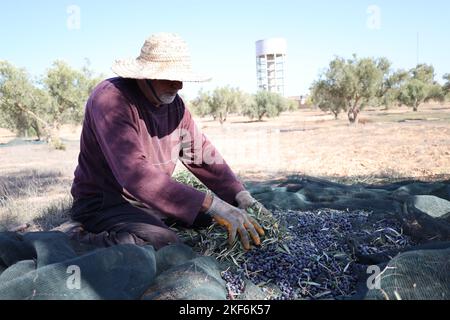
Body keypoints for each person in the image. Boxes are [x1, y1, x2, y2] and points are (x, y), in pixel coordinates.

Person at [68, 33, 271, 250]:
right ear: (144, 76)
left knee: (217, 222)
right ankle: (74, 238)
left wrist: (238, 194)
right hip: (104, 202)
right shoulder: (111, 99)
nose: (179, 85)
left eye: (181, 77)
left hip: (150, 200)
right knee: (162, 241)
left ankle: (156, 217)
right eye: (169, 76)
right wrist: (212, 204)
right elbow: (136, 176)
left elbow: (201, 154)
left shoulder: (175, 106)